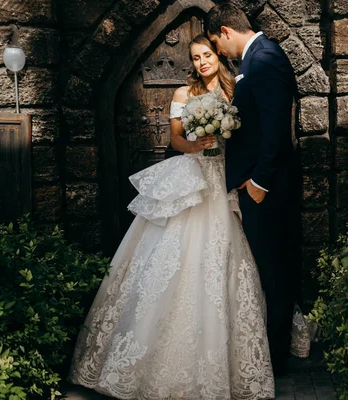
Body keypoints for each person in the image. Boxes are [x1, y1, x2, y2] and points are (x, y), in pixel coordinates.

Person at [68, 34, 274, 400]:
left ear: (217, 55)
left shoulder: (237, 92)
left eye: (206, 55)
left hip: (224, 180)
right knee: (171, 259)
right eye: (195, 58)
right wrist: (197, 143)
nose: (201, 62)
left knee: (222, 258)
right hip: (193, 177)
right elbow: (177, 139)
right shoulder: (183, 94)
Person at [205, 3, 302, 376]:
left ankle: (277, 359)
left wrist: (260, 182)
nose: (219, 52)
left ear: (226, 32)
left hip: (267, 189)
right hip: (256, 186)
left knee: (274, 270)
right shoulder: (253, 61)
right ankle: (270, 350)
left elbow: (277, 127)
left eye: (217, 43)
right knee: (265, 269)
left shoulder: (264, 58)